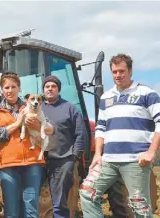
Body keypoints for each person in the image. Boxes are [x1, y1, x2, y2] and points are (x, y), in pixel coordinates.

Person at [79, 53, 160, 218]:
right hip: (109, 160)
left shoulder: (146, 93)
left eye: (122, 71)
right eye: (114, 72)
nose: (118, 75)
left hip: (135, 160)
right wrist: (97, 154)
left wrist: (151, 152)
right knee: (87, 193)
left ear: (130, 71)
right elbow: (101, 127)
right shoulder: (106, 97)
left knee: (140, 207)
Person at [0, 72, 54, 218]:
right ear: (2, 90)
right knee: (11, 210)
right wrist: (17, 123)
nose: (10, 90)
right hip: (8, 164)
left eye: (13, 87)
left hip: (32, 162)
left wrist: (36, 125)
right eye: (6, 87)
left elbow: (50, 129)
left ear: (19, 88)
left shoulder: (32, 106)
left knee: (31, 209)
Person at [37, 75, 87, 218]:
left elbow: (80, 134)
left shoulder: (70, 109)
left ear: (58, 89)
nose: (50, 89)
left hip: (62, 159)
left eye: (53, 86)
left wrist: (74, 157)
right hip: (38, 160)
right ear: (43, 90)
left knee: (60, 201)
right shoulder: (37, 108)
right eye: (47, 86)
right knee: (32, 197)